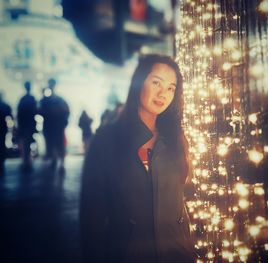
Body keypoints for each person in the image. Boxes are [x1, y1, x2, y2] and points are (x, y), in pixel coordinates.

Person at [80, 54, 196, 263]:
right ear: (138, 83)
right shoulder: (107, 140)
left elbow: (183, 197)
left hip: (177, 253)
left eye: (171, 87)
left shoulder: (176, 139)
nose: (163, 93)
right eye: (156, 82)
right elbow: (92, 216)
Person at [39, 78, 69, 172]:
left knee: (54, 144)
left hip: (53, 126)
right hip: (55, 126)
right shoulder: (58, 99)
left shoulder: (51, 99)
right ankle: (58, 161)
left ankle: (57, 161)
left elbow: (40, 110)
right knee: (56, 144)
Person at [17, 81, 37, 170]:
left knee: (25, 143)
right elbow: (35, 111)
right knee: (27, 143)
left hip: (24, 124)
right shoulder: (32, 99)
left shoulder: (23, 99)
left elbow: (19, 113)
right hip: (29, 125)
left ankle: (26, 160)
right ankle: (27, 160)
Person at [0, 92, 12, 175]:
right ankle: (1, 162)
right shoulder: (5, 105)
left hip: (3, 128)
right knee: (2, 144)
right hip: (2, 128)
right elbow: (10, 116)